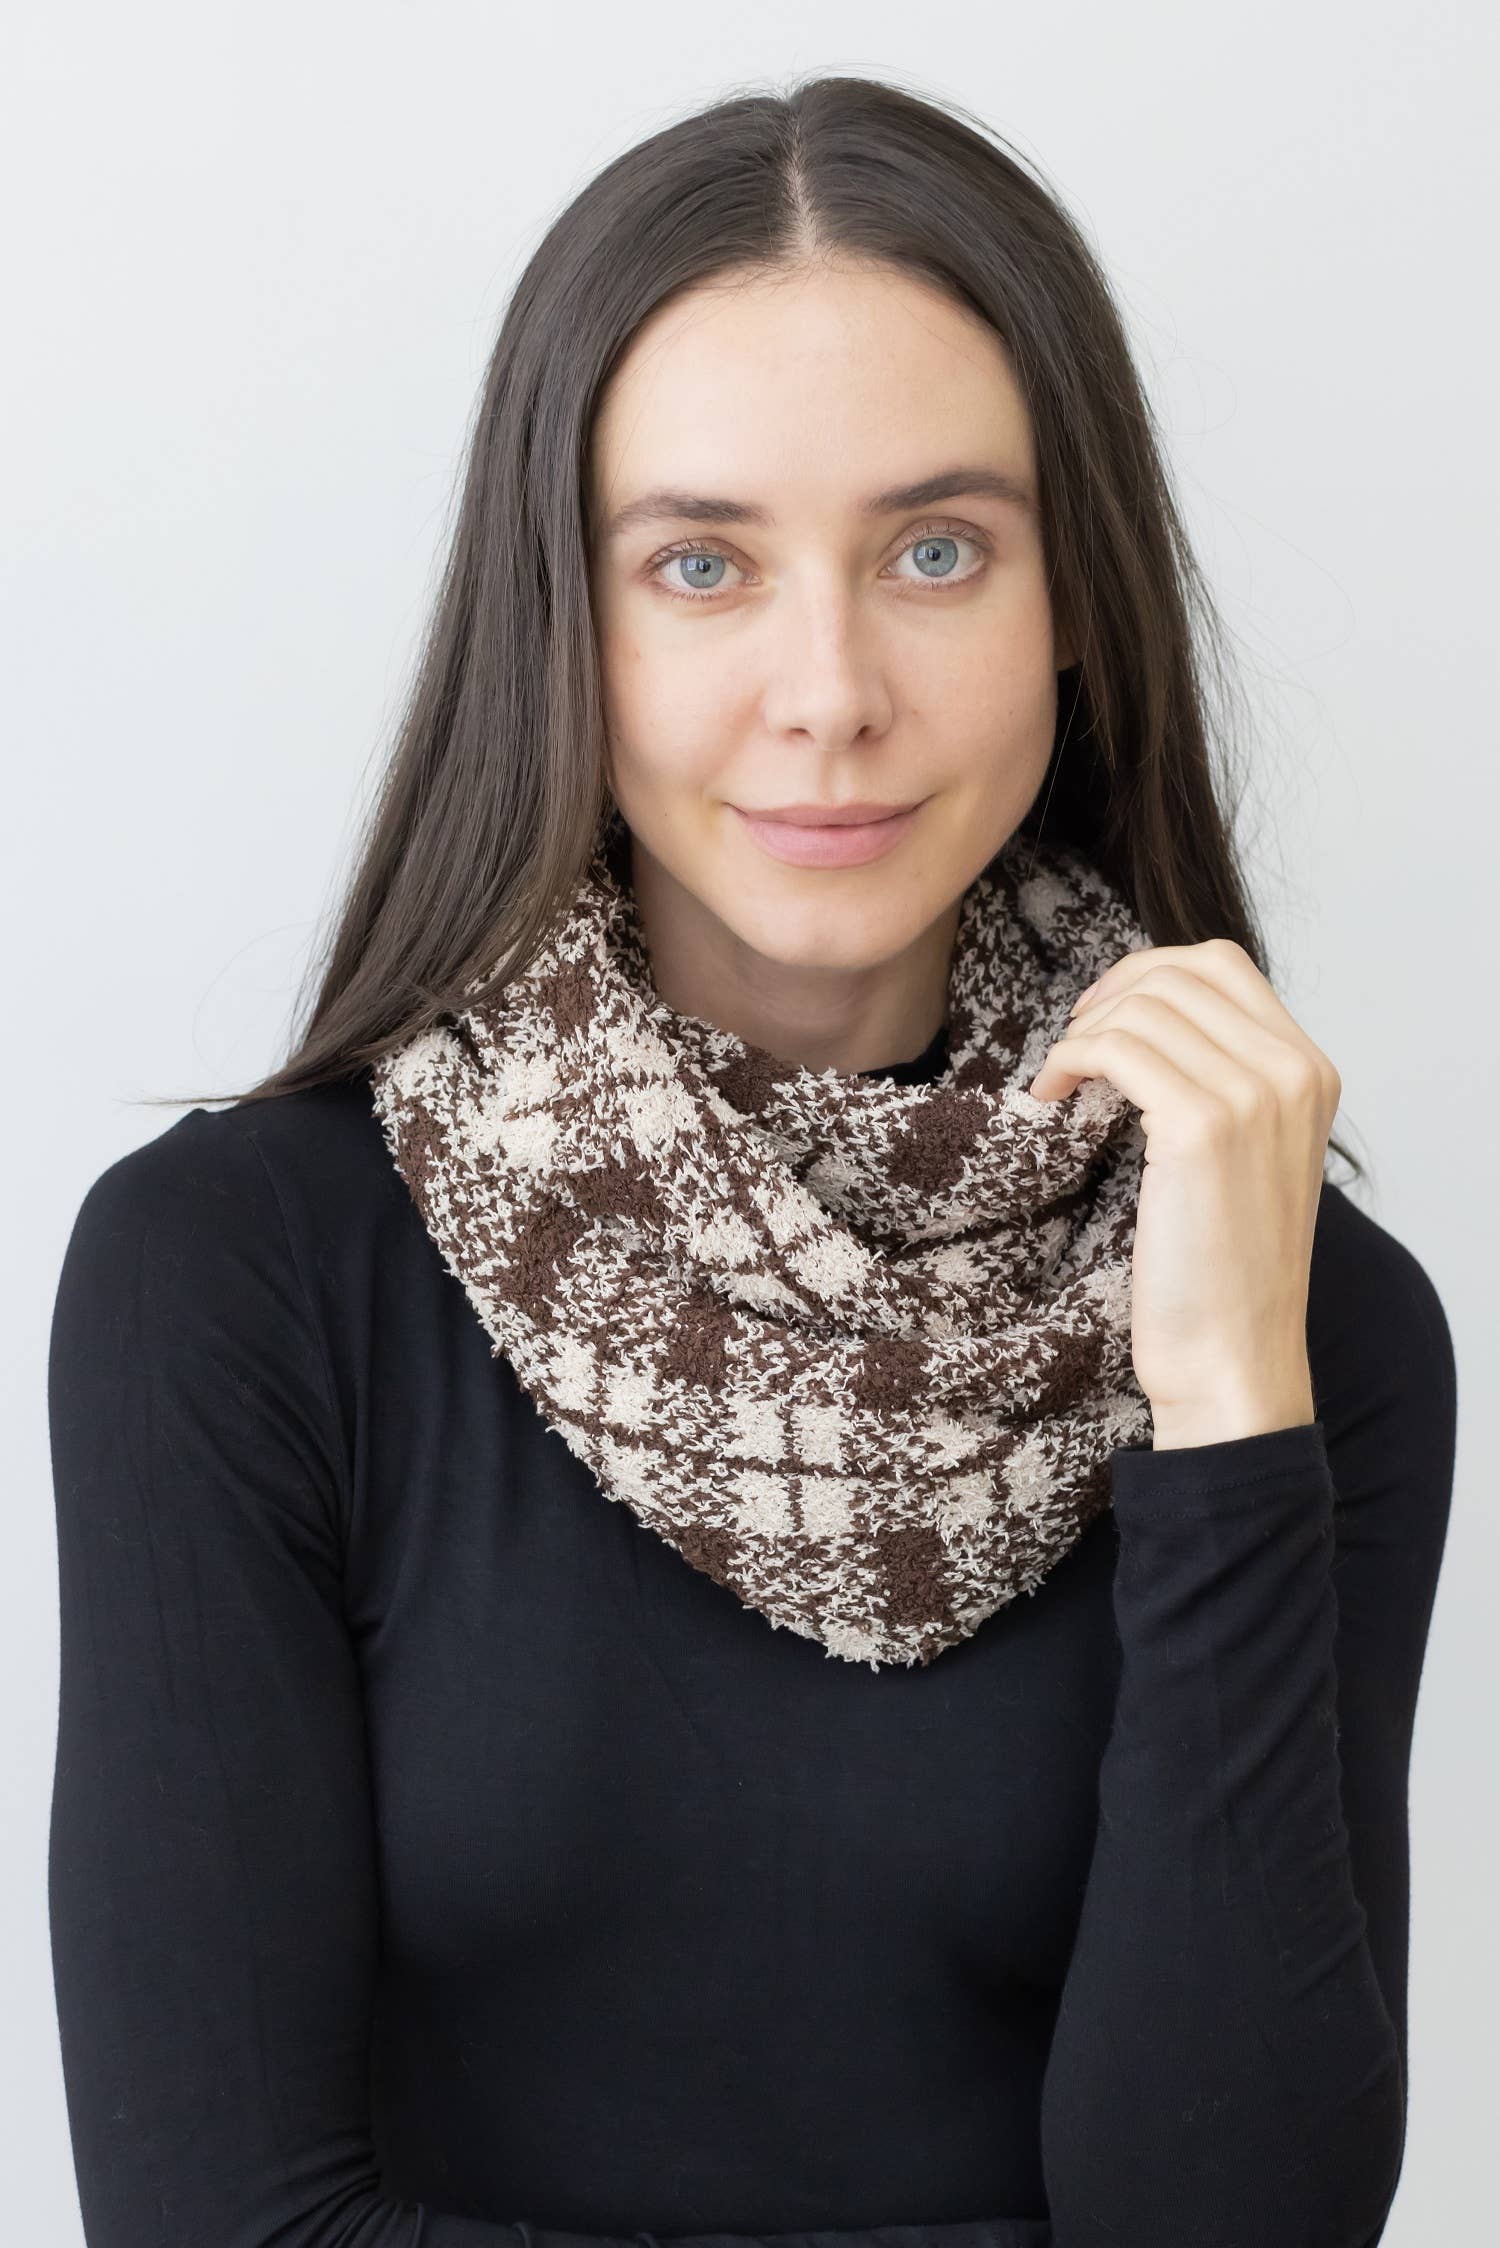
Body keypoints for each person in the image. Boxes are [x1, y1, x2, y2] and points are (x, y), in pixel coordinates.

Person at [46, 73, 1456, 2248]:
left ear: (1074, 600)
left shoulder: (1294, 1316)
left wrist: (1226, 1415)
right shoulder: (239, 1275)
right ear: (564, 615)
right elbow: (222, 2224)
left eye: (936, 551)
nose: (829, 692)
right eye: (700, 564)